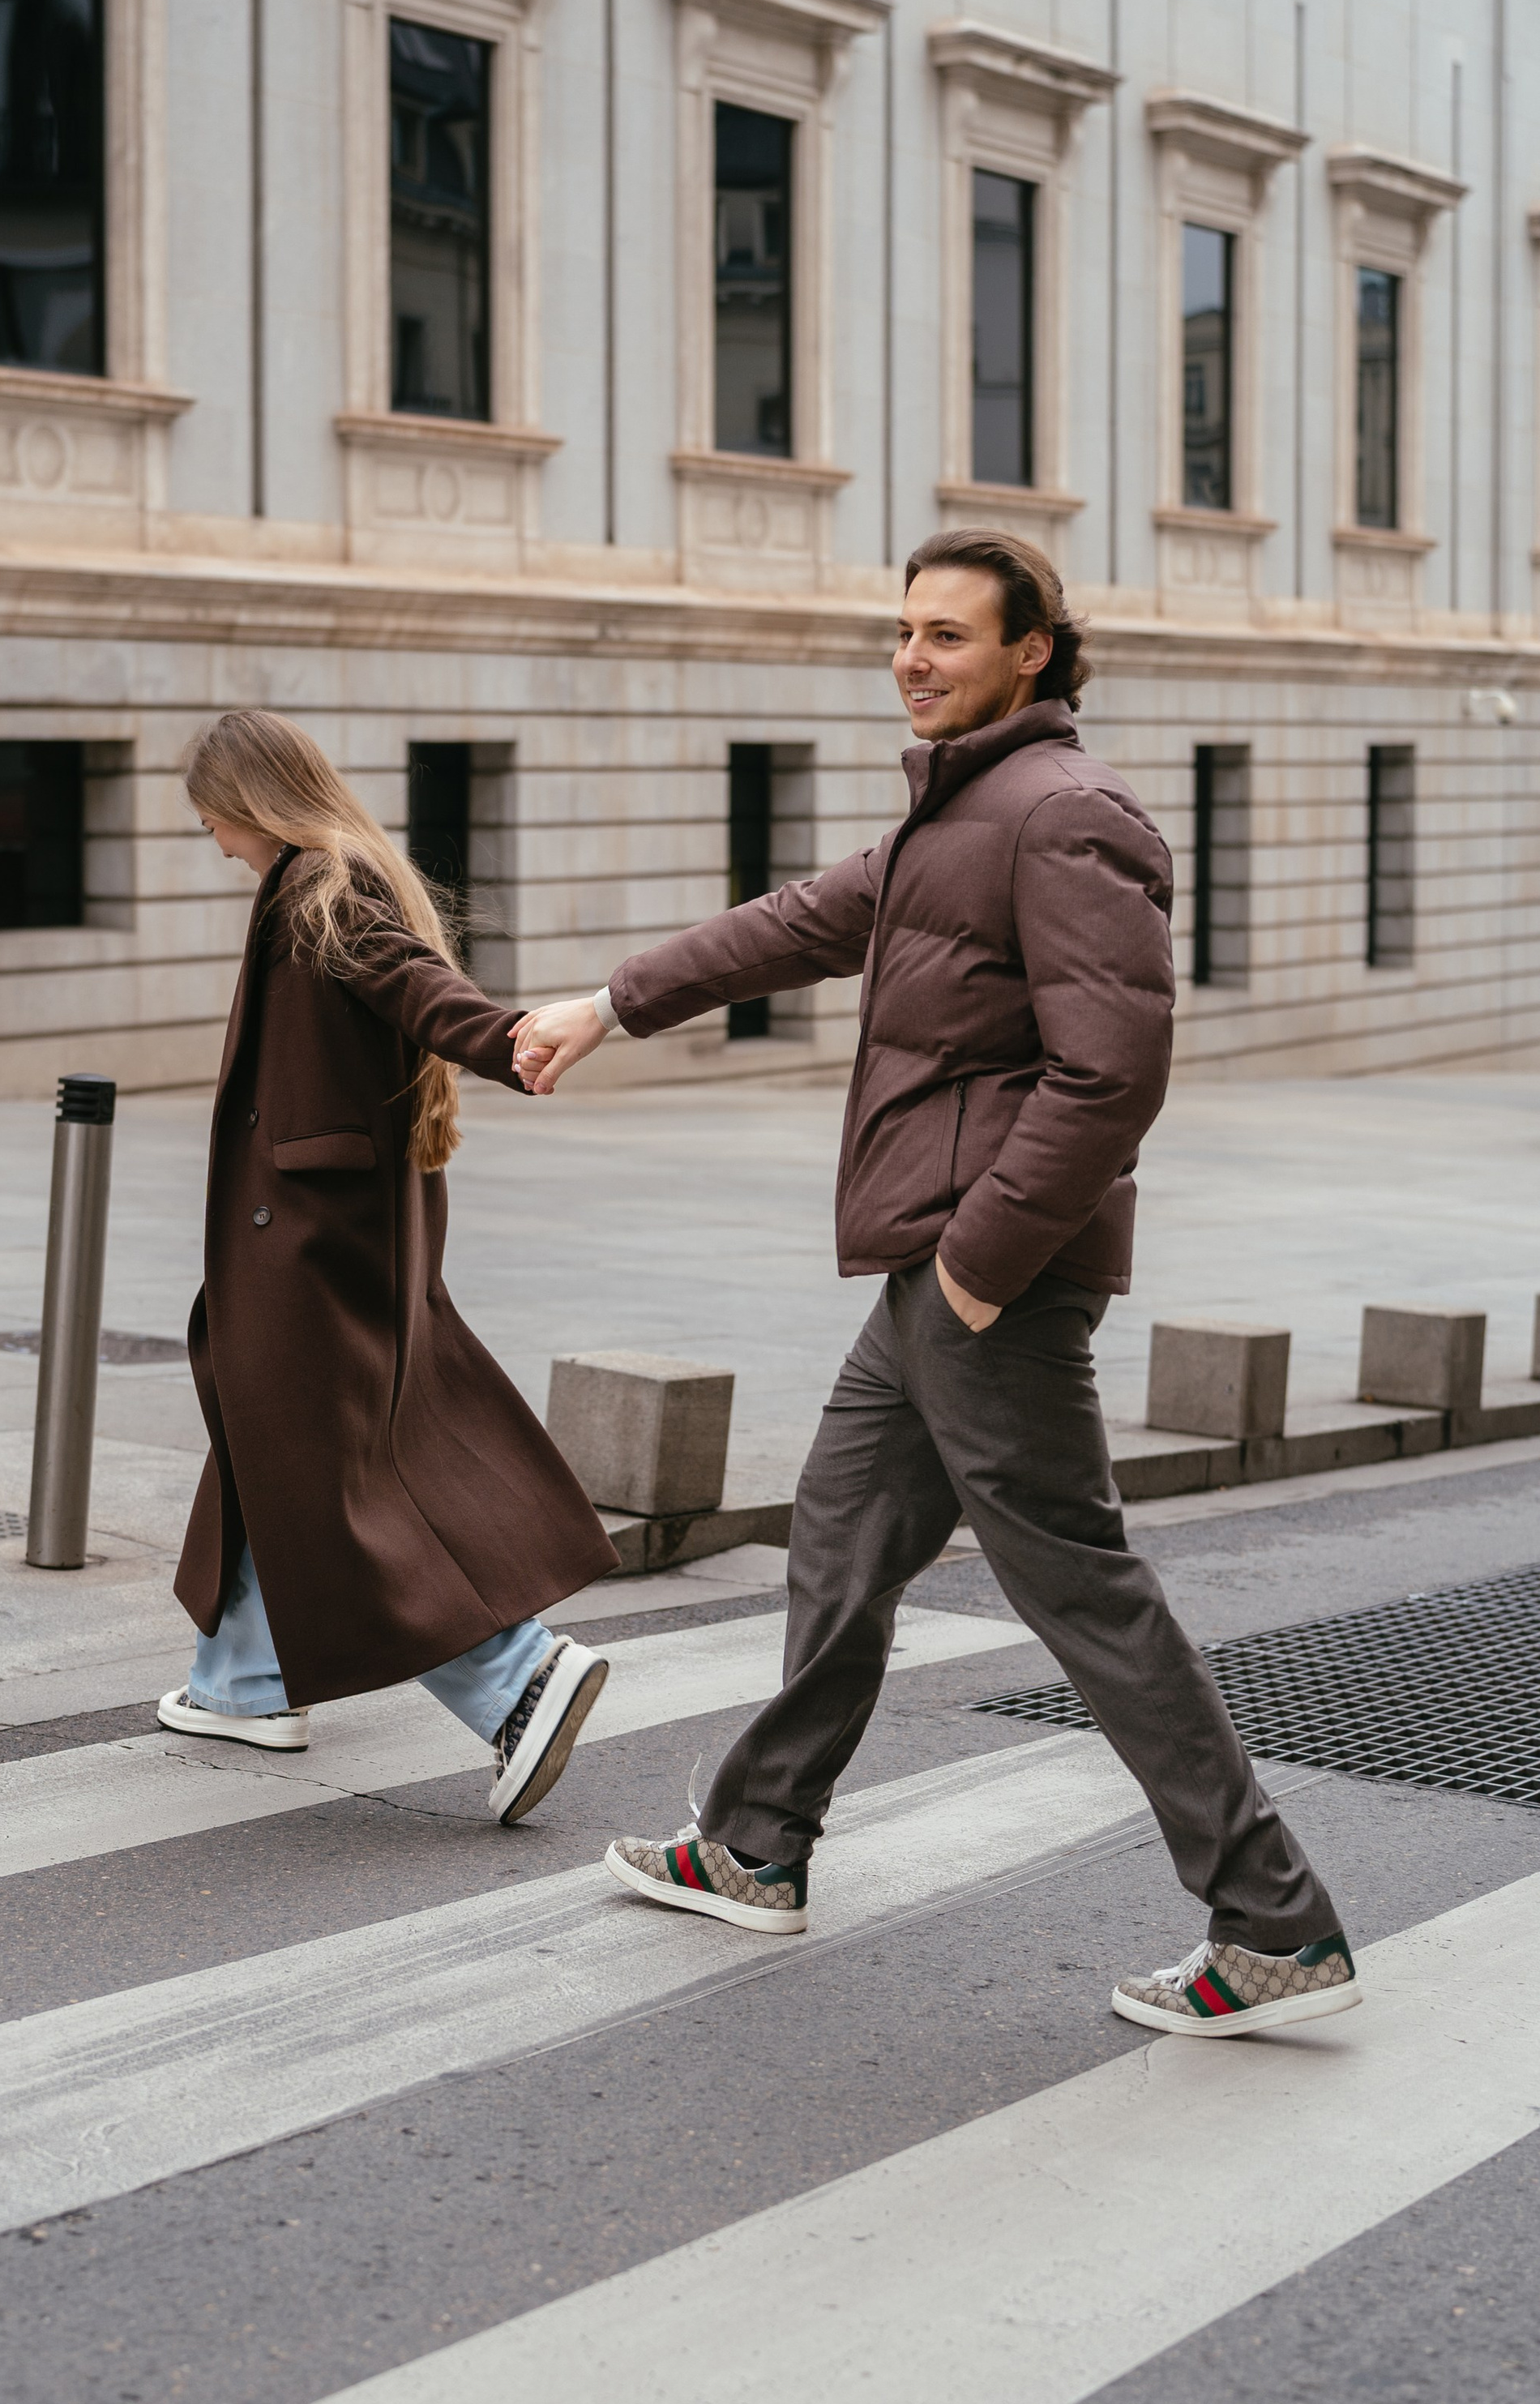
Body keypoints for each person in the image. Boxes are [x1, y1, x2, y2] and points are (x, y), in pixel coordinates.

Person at [512, 531, 1360, 2038]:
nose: (913, 656)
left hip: (987, 1279)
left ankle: (1272, 1916)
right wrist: (606, 1004)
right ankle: (758, 1840)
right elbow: (784, 926)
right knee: (840, 1538)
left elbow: (1113, 1072)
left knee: (1082, 1589)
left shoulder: (1061, 815)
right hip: (933, 1274)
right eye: (904, 630)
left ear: (1032, 651)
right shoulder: (948, 815)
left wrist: (977, 1265)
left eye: (948, 635)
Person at [165, 708, 618, 1825]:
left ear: (247, 799)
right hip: (317, 1233)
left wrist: (516, 1037)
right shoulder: (329, 877)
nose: (213, 840)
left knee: (330, 1477)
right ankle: (248, 1680)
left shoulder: (327, 888)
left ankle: (516, 1677)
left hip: (313, 1246)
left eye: (210, 818)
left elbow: (419, 988)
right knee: (271, 1442)